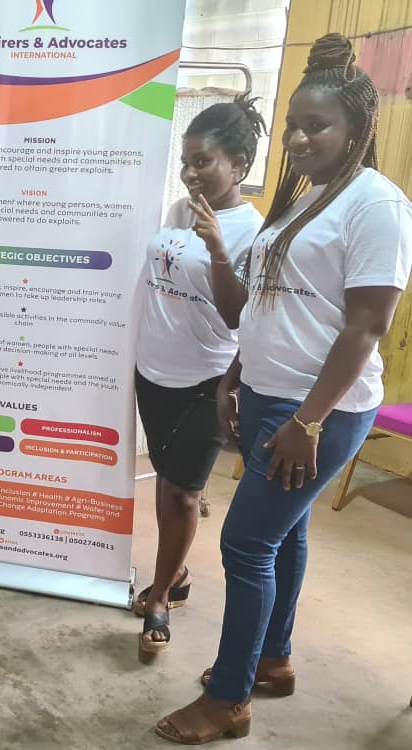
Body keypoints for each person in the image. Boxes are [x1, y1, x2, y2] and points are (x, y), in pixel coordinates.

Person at [156, 34, 412, 744]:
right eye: (293, 124)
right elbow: (270, 303)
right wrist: (236, 375)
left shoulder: (378, 206)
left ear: (356, 128)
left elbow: (366, 326)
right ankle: (272, 659)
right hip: (269, 394)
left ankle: (229, 701)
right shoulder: (307, 200)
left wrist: (308, 421)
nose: (298, 138)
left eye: (316, 125)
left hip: (317, 409)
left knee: (245, 544)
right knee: (284, 532)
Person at [134, 98, 266, 662]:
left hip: (205, 381)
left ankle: (161, 597)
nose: (191, 174)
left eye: (203, 162)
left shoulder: (253, 232)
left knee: (185, 493)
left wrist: (216, 248)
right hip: (152, 371)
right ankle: (178, 571)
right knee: (165, 479)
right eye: (187, 162)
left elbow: (239, 317)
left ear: (239, 165)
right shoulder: (177, 209)